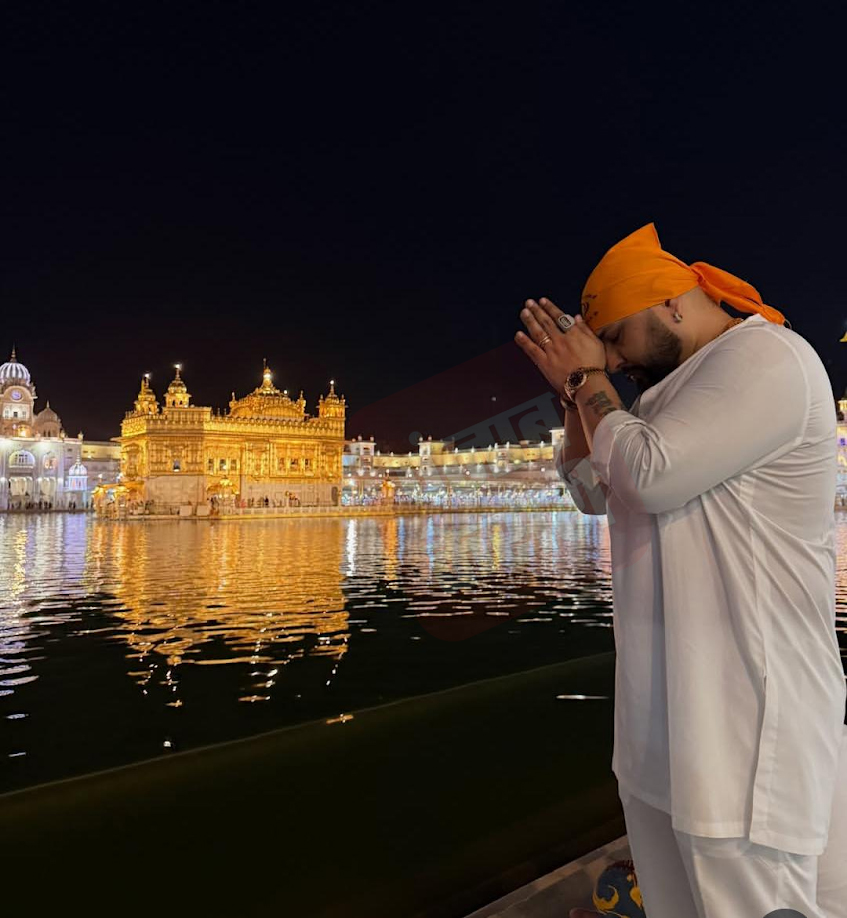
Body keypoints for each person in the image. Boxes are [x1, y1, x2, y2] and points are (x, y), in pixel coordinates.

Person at [515, 223, 847, 918]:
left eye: (614, 336)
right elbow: (592, 489)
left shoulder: (765, 360)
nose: (611, 356)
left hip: (746, 731)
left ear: (671, 304)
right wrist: (578, 391)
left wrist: (587, 377)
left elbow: (648, 476)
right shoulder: (669, 394)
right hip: (665, 733)